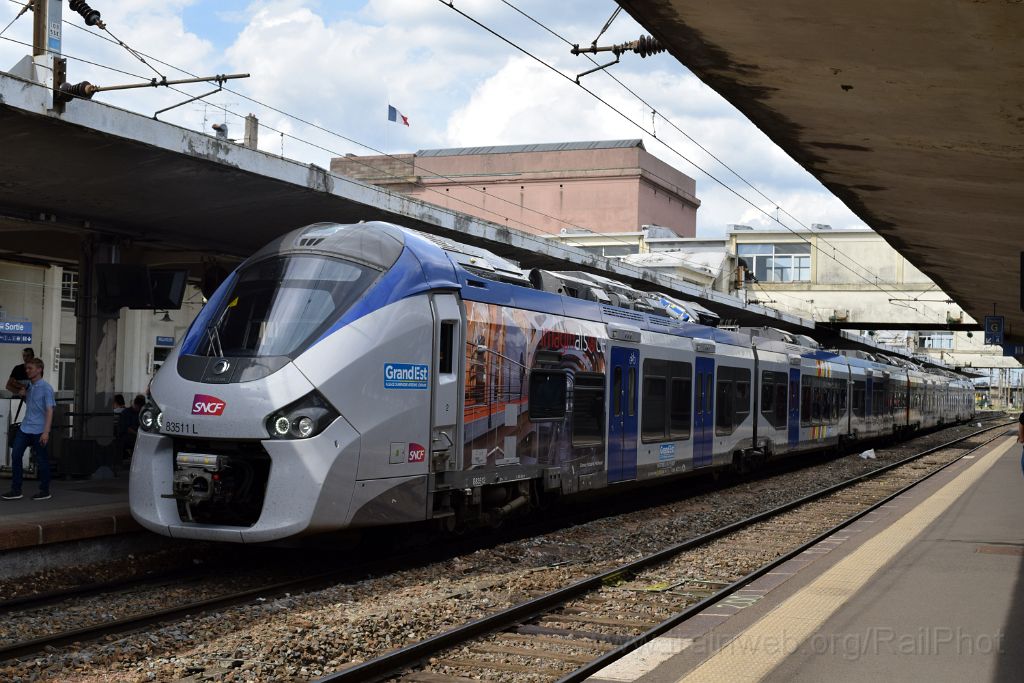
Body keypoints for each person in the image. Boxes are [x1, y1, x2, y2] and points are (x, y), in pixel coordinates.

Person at [3, 358, 55, 501]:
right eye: (27, 368)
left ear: (39, 369)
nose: (27, 371)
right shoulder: (28, 386)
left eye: (30, 368)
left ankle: (45, 490)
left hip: (39, 430)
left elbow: (50, 410)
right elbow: (9, 387)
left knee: (42, 460)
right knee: (16, 456)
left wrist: (46, 432)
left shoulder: (46, 388)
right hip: (25, 428)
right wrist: (22, 394)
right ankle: (16, 489)